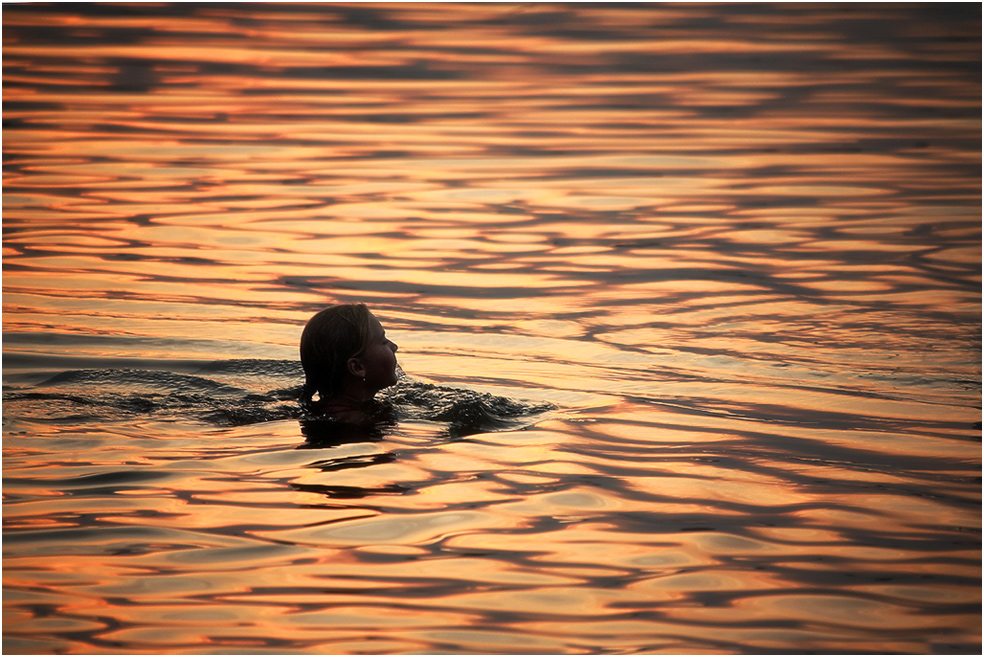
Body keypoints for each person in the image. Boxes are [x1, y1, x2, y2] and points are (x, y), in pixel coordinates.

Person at [299, 303, 400, 424]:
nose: (394, 346)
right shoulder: (359, 425)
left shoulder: (321, 411)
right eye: (383, 342)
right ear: (357, 367)